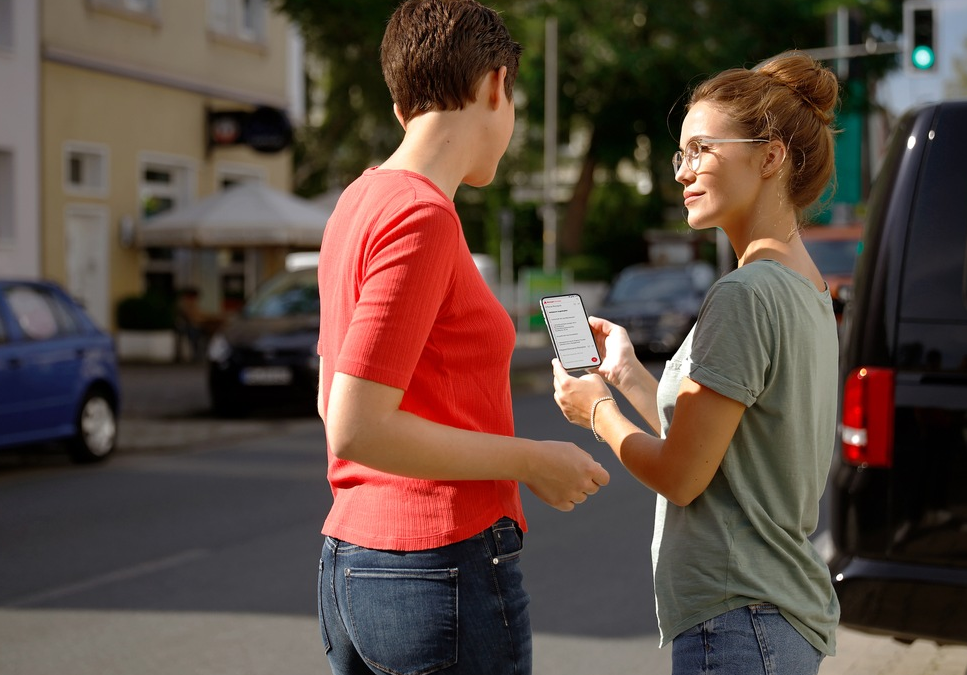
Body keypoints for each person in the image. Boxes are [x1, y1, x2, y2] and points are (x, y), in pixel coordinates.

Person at [314, 2, 610, 674]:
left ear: (400, 107)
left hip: (353, 561)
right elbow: (355, 427)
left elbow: (334, 402)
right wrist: (531, 459)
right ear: (495, 85)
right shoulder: (422, 215)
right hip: (436, 566)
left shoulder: (357, 202)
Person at [552, 51, 841, 675]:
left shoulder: (745, 294)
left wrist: (596, 409)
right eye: (681, 154)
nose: (682, 172)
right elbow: (721, 455)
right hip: (778, 616)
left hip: (740, 618)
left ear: (770, 157)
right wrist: (627, 375)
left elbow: (683, 477)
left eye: (701, 149)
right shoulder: (806, 288)